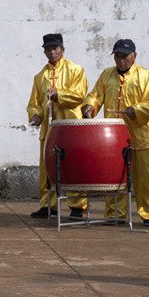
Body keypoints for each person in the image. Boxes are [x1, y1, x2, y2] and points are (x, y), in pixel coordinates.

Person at [81, 39, 149, 226]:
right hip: (113, 139)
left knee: (147, 179)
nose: (121, 60)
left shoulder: (144, 75)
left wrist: (137, 110)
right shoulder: (106, 75)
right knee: (115, 177)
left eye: (124, 56)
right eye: (117, 56)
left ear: (134, 56)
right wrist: (89, 107)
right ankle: (115, 214)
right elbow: (95, 95)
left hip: (141, 136)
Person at [26, 33, 88, 219]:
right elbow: (33, 102)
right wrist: (36, 114)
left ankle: (77, 207)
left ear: (63, 49)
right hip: (49, 129)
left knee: (73, 167)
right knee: (47, 167)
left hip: (71, 127)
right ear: (44, 51)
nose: (52, 52)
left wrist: (58, 95)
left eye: (55, 48)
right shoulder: (40, 76)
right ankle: (48, 206)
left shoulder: (76, 70)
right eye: (48, 49)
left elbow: (79, 95)